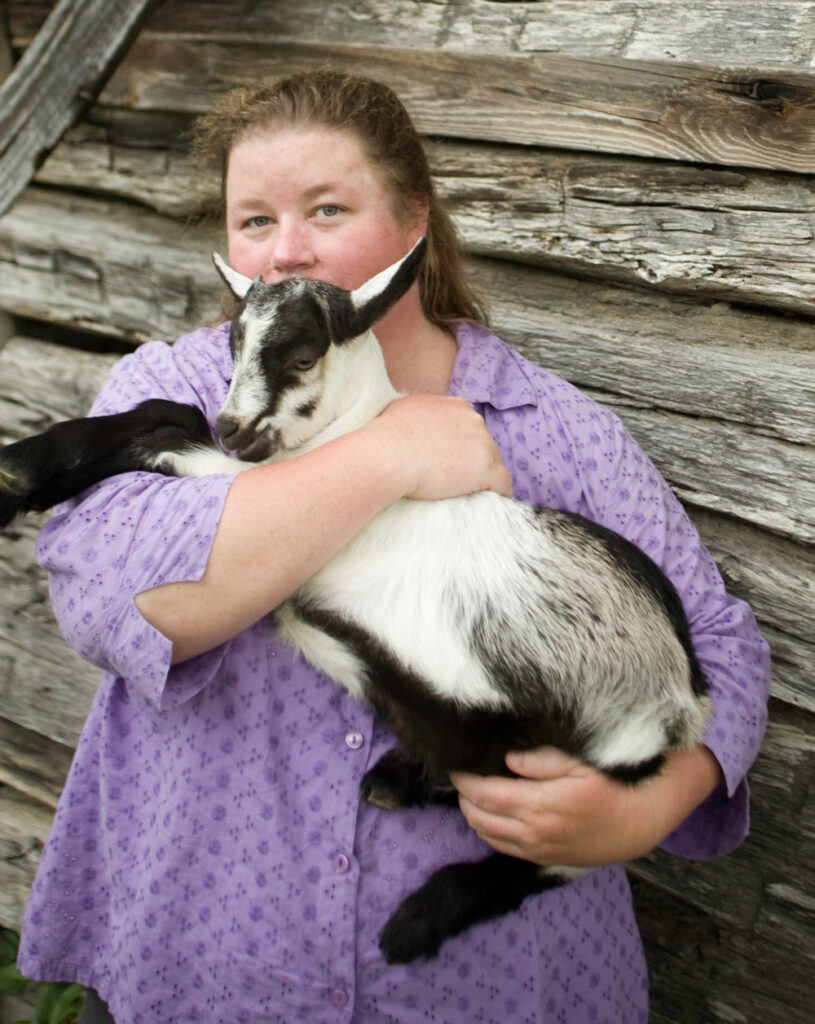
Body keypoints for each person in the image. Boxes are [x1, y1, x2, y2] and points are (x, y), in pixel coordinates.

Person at [17, 71, 770, 1024]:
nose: (286, 247)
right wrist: (388, 455)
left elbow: (720, 641)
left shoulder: (553, 428)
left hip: (490, 982)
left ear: (413, 221)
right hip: (216, 949)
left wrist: (652, 801)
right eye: (252, 221)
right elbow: (125, 600)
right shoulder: (171, 387)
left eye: (326, 209)